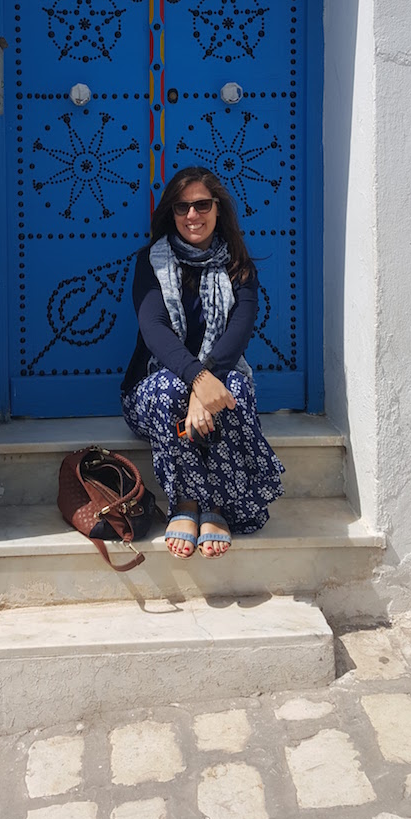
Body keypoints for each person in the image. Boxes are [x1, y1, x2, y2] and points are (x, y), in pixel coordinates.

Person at [121, 166, 285, 560]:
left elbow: (238, 334)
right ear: (171, 213)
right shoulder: (151, 263)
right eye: (182, 207)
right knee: (168, 388)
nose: (192, 215)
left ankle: (215, 507)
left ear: (217, 209)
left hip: (216, 386)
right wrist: (197, 380)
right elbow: (155, 330)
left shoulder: (239, 266)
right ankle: (187, 502)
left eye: (201, 205)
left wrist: (204, 387)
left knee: (237, 389)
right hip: (151, 395)